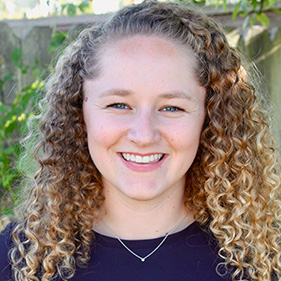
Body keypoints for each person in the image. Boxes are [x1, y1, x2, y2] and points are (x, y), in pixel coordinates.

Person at [1, 0, 281, 280]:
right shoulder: (16, 261)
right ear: (78, 113)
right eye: (119, 105)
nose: (144, 135)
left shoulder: (264, 260)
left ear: (211, 118)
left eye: (172, 108)